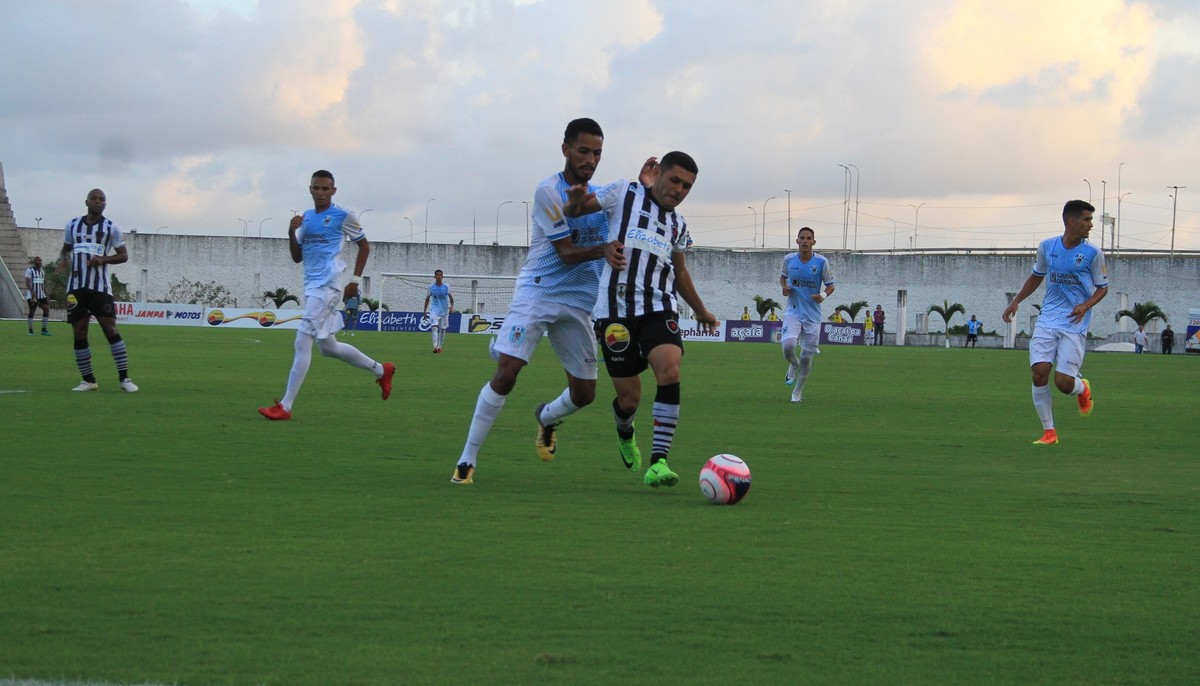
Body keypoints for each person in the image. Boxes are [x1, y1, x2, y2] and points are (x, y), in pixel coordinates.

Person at [451, 118, 632, 485]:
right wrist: (603, 249)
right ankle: (467, 461)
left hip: (580, 303)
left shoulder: (601, 197)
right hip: (538, 292)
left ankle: (546, 417)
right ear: (565, 149)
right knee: (507, 373)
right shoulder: (548, 191)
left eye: (597, 153)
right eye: (583, 151)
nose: (590, 159)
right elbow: (565, 252)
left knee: (585, 394)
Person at [565, 151, 718, 489]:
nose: (679, 190)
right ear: (659, 173)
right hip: (614, 311)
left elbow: (680, 272)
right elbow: (576, 211)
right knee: (629, 398)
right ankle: (624, 429)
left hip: (659, 307)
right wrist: (575, 203)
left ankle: (659, 461)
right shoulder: (625, 192)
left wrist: (702, 311)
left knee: (670, 369)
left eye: (687, 186)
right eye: (675, 180)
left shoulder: (678, 225)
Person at [258, 170, 394, 420]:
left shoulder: (343, 215)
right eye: (316, 188)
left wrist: (354, 280)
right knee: (328, 347)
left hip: (329, 286)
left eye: (325, 189)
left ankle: (285, 406)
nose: (321, 192)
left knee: (302, 341)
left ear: (333, 191)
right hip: (312, 287)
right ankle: (380, 370)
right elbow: (297, 257)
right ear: (310, 189)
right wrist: (291, 232)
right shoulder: (307, 218)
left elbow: (364, 245)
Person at [1002, 199, 1108, 445]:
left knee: (1063, 383)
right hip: (1048, 318)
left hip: (1074, 322)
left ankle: (1082, 389)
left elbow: (1103, 288)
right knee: (1039, 374)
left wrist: (1085, 305)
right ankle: (1049, 432)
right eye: (1087, 219)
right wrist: (1016, 300)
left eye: (1091, 219)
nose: (1091, 225)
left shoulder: (1093, 253)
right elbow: (1036, 276)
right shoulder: (1047, 247)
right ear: (1071, 221)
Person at [59, 189, 137, 392]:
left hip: (100, 287)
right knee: (79, 331)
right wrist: (63, 259)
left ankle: (124, 379)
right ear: (86, 201)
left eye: (102, 199)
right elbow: (67, 247)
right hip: (75, 288)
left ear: (105, 204)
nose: (98, 201)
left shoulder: (111, 227)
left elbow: (123, 256)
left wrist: (103, 259)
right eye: (94, 198)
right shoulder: (72, 225)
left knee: (109, 327)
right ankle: (88, 380)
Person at [780, 227, 835, 403]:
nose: (805, 241)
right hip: (793, 310)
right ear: (797, 241)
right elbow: (783, 277)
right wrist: (784, 287)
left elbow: (830, 285)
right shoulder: (788, 259)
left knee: (806, 356)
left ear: (813, 242)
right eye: (802, 238)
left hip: (812, 315)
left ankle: (797, 392)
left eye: (808, 238)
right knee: (788, 347)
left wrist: (823, 296)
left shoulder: (821, 262)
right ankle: (793, 364)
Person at [423, 269, 454, 353]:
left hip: (444, 311)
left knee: (443, 329)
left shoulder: (447, 286)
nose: (439, 276)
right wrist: (425, 311)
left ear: (442, 276)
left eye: (440, 275)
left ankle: (439, 347)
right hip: (434, 310)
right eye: (437, 275)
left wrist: (452, 307)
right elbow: (427, 299)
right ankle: (435, 347)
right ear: (434, 276)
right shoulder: (430, 287)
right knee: (434, 327)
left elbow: (451, 298)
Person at [24, 256, 51, 336]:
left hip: (41, 294)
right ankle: (30, 330)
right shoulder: (30, 270)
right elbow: (27, 282)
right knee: (32, 311)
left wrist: (46, 294)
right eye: (39, 260)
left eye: (41, 261)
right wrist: (32, 292)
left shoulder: (42, 271)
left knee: (46, 310)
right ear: (35, 261)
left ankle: (44, 330)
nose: (40, 262)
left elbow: (43, 283)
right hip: (33, 294)